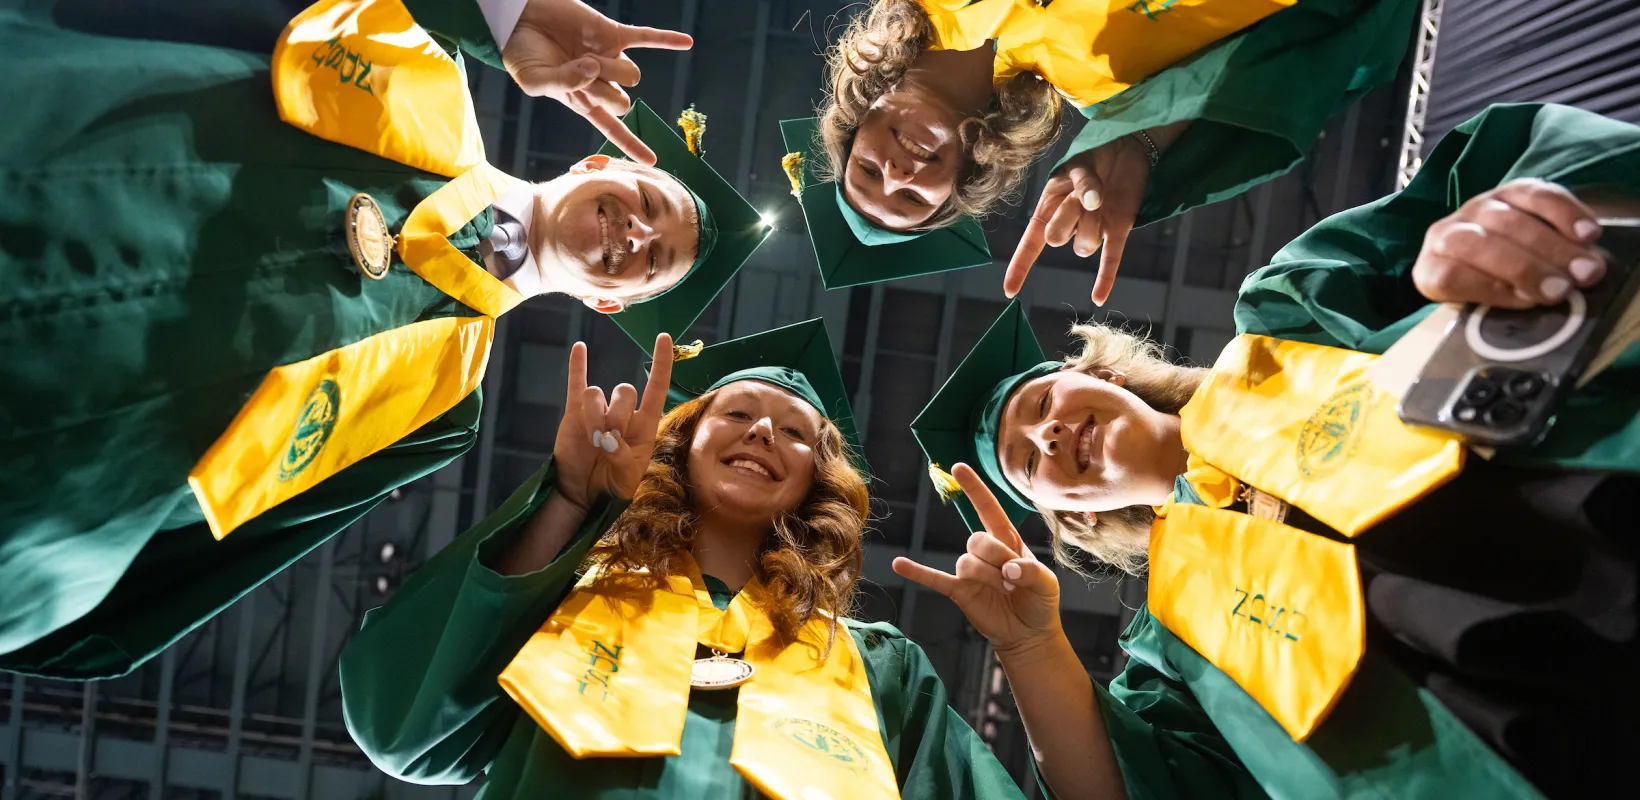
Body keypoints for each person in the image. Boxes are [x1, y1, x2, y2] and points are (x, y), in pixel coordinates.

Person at [0, 0, 770, 680]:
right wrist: (499, 13)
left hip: (53, 458)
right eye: (645, 201)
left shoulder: (441, 408)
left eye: (654, 259)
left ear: (610, 300)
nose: (635, 230)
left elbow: (245, 535)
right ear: (594, 159)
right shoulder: (415, 67)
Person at [905, 103, 1640, 798]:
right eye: (1030, 466)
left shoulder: (1289, 310)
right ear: (1080, 520)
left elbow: (1494, 163)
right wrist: (1032, 648)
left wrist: (1495, 226)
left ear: (1100, 375)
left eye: (1041, 408)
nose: (1048, 436)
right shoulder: (1179, 649)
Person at [338, 320, 1026, 799]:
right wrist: (570, 498)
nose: (763, 430)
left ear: (816, 482)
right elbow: (403, 727)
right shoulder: (566, 596)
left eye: (793, 433)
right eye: (737, 415)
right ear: (681, 443)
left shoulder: (875, 666)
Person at [811, 0, 1419, 304]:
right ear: (963, 180)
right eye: (912, 199)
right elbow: (1279, 68)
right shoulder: (1108, 94)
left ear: (861, 116)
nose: (896, 174)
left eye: (866, 170)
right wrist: (1143, 139)